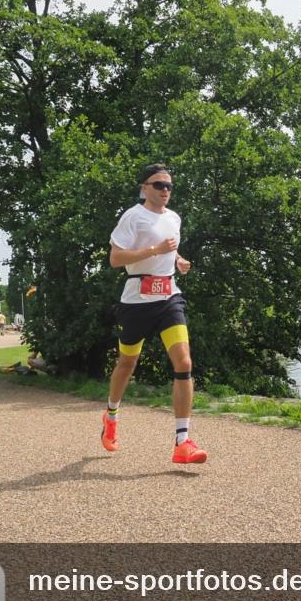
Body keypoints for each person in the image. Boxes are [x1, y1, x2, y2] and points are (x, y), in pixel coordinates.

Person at [101, 163, 206, 463]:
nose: (165, 190)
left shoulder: (174, 218)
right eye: (158, 185)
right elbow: (115, 258)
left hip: (169, 298)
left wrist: (178, 261)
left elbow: (168, 250)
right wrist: (154, 252)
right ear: (143, 188)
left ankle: (182, 442)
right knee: (127, 363)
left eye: (169, 186)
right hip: (135, 301)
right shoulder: (133, 216)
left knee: (184, 361)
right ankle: (111, 416)